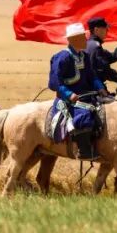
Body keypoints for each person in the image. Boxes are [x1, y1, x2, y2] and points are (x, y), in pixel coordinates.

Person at [48, 23, 104, 159]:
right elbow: (55, 82)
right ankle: (84, 150)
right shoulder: (62, 57)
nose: (86, 39)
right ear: (73, 40)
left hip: (86, 96)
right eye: (82, 37)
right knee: (84, 115)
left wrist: (100, 87)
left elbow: (92, 76)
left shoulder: (84, 56)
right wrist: (69, 94)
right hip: (68, 100)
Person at [84, 16, 117, 98]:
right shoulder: (96, 47)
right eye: (105, 28)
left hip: (90, 87)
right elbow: (106, 71)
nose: (107, 30)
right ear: (96, 30)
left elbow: (112, 57)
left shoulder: (89, 44)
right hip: (94, 89)